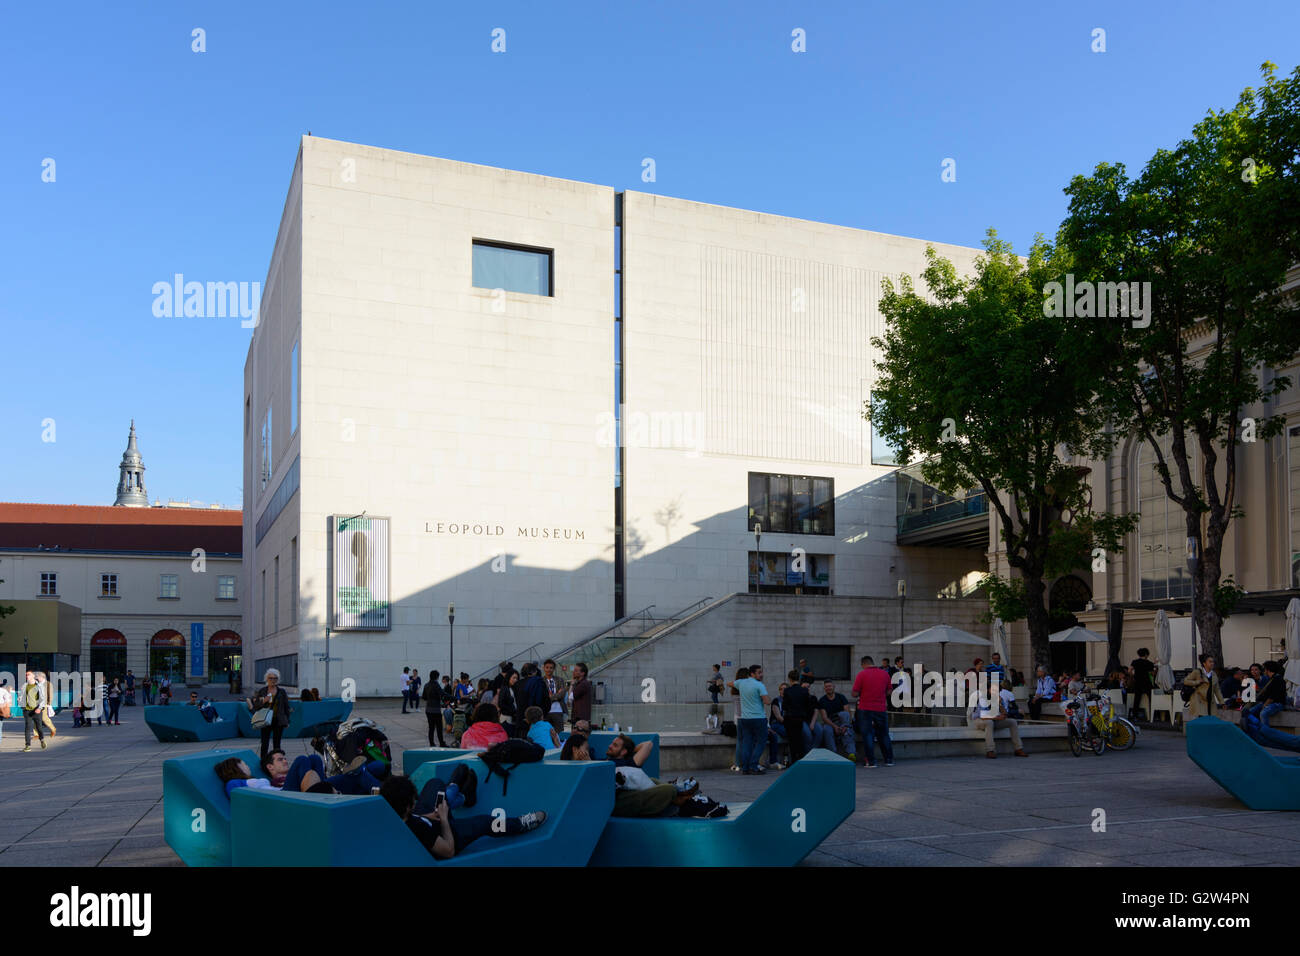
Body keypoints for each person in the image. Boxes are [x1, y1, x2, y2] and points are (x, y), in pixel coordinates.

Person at [381, 774, 546, 860]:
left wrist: (429, 815)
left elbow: (411, 818)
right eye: (412, 800)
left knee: (434, 784)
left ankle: (457, 792)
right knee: (486, 822)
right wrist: (444, 819)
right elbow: (448, 851)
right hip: (447, 833)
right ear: (408, 806)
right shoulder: (418, 830)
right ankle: (519, 824)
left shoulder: (392, 816)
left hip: (424, 817)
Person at [852, 655, 894, 768]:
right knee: (884, 734)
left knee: (868, 735)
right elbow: (890, 691)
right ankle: (889, 760)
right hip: (881, 708)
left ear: (863, 664)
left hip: (865, 709)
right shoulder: (884, 674)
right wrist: (881, 695)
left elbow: (854, 693)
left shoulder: (862, 674)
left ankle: (871, 762)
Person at [968, 683, 1029, 758]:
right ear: (988, 690)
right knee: (989, 722)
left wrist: (999, 704)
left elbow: (1005, 713)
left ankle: (1018, 749)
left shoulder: (999, 699)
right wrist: (997, 718)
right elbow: (983, 716)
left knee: (1012, 722)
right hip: (978, 720)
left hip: (993, 720)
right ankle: (990, 750)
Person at [733, 664, 770, 775]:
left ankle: (745, 768)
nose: (761, 674)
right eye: (759, 672)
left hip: (745, 719)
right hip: (758, 718)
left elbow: (730, 684)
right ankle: (753, 765)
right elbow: (767, 702)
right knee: (761, 742)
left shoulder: (741, 683)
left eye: (761, 672)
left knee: (746, 743)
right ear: (752, 674)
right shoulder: (760, 685)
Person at [248, 668, 292, 761]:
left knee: (277, 743)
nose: (273, 680)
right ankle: (263, 761)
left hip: (278, 720)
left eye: (275, 678)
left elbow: (286, 707)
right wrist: (264, 700)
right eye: (270, 678)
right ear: (266, 679)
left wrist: (287, 720)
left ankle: (277, 762)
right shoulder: (262, 691)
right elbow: (256, 706)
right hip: (265, 720)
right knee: (264, 743)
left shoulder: (281, 692)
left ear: (278, 680)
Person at [817, 679, 856, 762]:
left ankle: (851, 753)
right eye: (826, 687)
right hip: (830, 723)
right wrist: (835, 727)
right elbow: (824, 717)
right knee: (826, 730)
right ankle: (833, 755)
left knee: (846, 723)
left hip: (842, 721)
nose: (828, 688)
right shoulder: (822, 700)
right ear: (824, 689)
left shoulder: (841, 697)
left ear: (833, 687)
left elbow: (847, 712)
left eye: (830, 686)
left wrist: (844, 725)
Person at [779, 669, 812, 765]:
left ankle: (793, 761)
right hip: (800, 718)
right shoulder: (804, 691)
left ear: (789, 679)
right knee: (800, 740)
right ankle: (801, 760)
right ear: (799, 678)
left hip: (790, 718)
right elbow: (808, 706)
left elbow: (784, 706)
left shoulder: (788, 691)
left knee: (792, 741)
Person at [1182, 654, 1224, 730]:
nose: (1212, 663)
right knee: (1201, 720)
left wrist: (1222, 702)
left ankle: (1207, 736)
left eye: (1213, 662)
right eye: (1210, 662)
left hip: (1210, 702)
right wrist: (1197, 682)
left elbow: (1217, 690)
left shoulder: (1214, 674)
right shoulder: (1197, 672)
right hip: (1199, 701)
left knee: (1211, 720)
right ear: (1204, 663)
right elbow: (1185, 681)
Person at [727, 666, 749, 771]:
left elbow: (729, 683)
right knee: (747, 741)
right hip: (746, 717)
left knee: (739, 742)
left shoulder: (734, 692)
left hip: (737, 718)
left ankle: (737, 763)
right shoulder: (746, 690)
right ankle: (745, 763)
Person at [20, 671, 48, 752]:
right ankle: (27, 745)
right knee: (27, 727)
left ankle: (42, 739)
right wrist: (20, 702)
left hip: (36, 710)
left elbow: (43, 698)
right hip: (27, 710)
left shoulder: (39, 686)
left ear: (33, 676)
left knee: (39, 727)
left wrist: (40, 708)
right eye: (26, 675)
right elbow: (21, 696)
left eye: (28, 674)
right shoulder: (24, 686)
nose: (27, 676)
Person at [541, 659, 567, 735]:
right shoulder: (541, 681)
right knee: (546, 734)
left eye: (551, 668)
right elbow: (543, 696)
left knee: (559, 734)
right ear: (544, 668)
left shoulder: (560, 680)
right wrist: (556, 695)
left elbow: (562, 694)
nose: (549, 670)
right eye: (547, 667)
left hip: (558, 710)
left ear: (554, 669)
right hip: (546, 711)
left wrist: (550, 696)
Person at [767, 682, 790, 769]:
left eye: (785, 689)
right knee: (789, 732)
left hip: (786, 724)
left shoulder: (790, 701)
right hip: (776, 723)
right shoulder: (776, 701)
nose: (783, 691)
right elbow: (778, 717)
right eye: (781, 689)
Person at [1130, 648, 1156, 720]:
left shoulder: (1135, 662)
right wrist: (1155, 669)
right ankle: (1153, 714)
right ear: (1146, 654)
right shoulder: (1149, 663)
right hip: (1146, 682)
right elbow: (1152, 674)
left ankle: (1135, 715)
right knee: (1151, 698)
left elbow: (1130, 670)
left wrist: (1133, 676)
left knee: (1137, 699)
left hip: (1137, 682)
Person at [422, 669, 446, 747]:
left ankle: (432, 743)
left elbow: (424, 697)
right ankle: (441, 743)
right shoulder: (436, 684)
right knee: (439, 728)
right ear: (436, 677)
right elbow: (443, 694)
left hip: (428, 709)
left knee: (431, 728)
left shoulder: (426, 685)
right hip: (435, 710)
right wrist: (454, 697)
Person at [569, 662, 592, 730]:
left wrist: (572, 684)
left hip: (580, 719)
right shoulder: (581, 683)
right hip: (580, 718)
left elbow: (570, 697)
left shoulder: (583, 684)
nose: (573, 672)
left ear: (582, 673)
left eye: (576, 670)